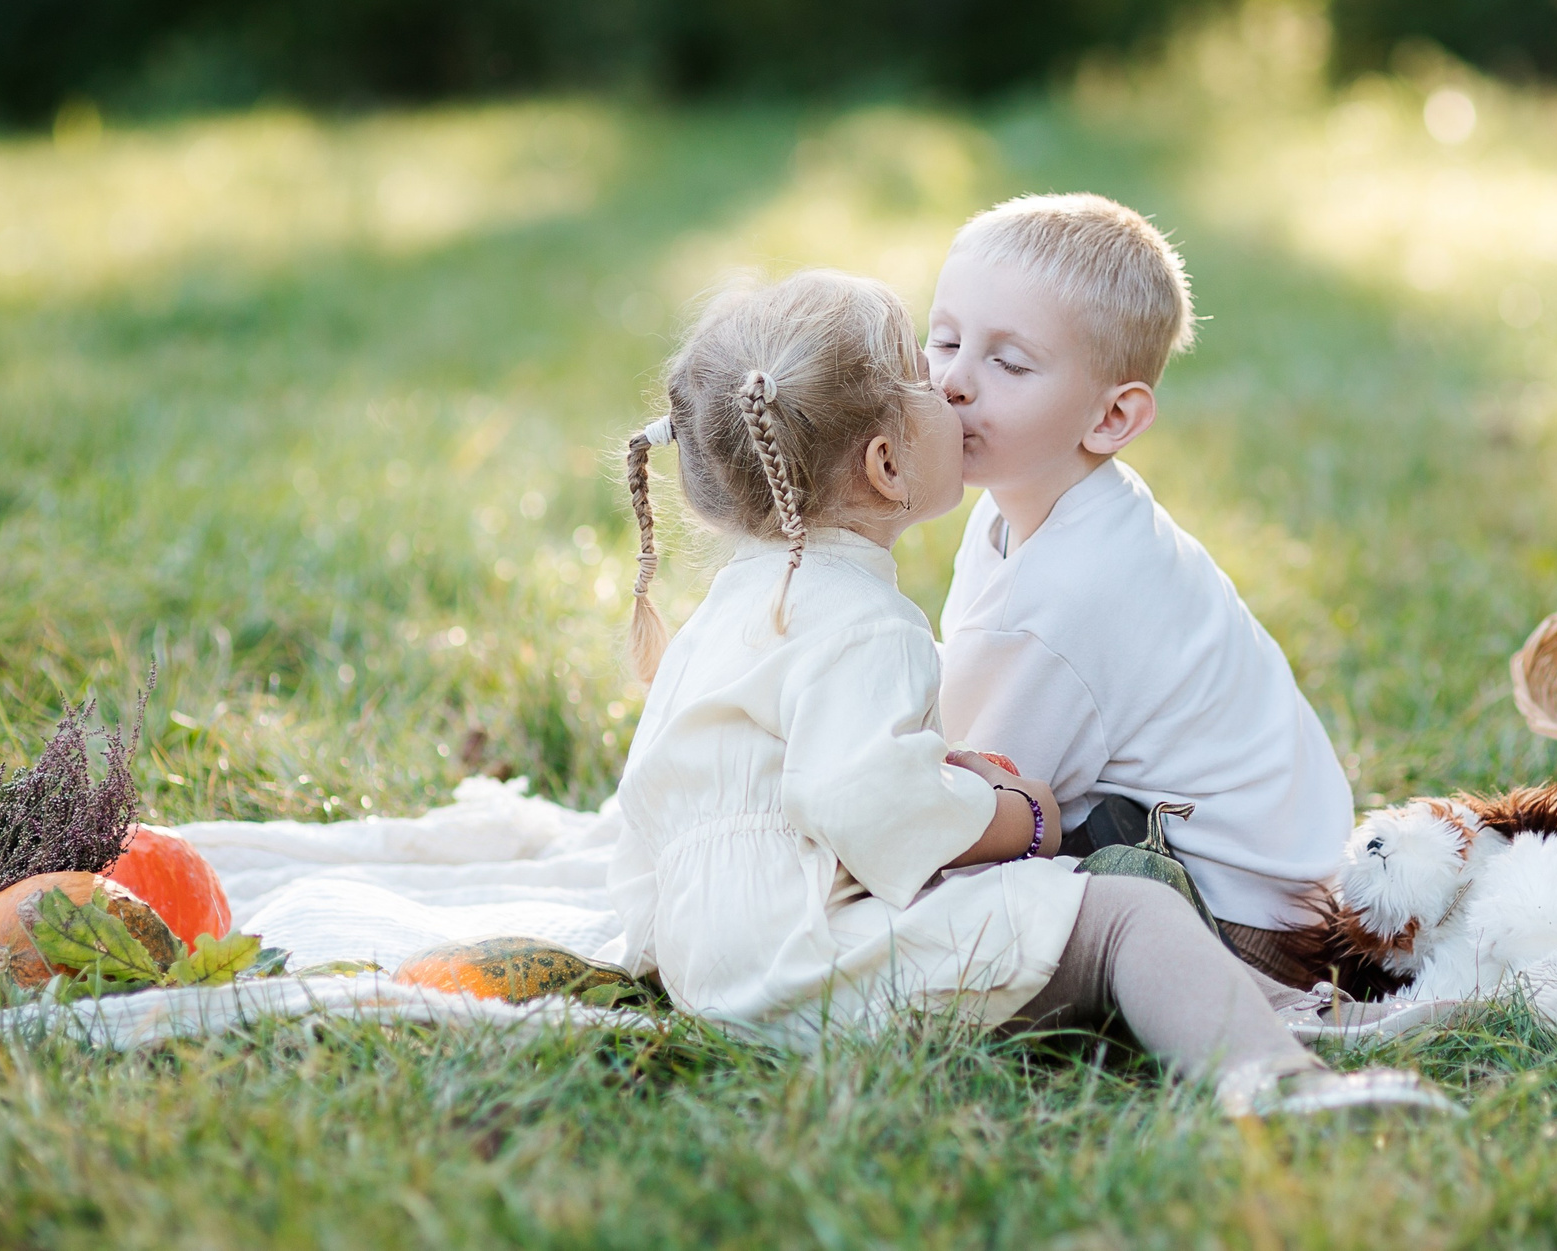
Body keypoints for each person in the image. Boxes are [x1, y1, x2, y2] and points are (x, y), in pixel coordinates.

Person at [606, 269, 1442, 1117]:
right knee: (1127, 916)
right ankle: (1279, 1078)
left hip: (702, 962)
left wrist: (665, 947)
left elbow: (658, 796)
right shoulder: (864, 623)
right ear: (888, 464)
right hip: (809, 975)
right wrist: (1024, 817)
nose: (950, 385)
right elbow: (868, 801)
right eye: (922, 372)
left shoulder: (726, 615)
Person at [928, 195, 1355, 988]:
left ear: (1112, 415)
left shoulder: (1071, 590)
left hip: (1238, 921)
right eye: (945, 339)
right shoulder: (1029, 503)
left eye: (1008, 363)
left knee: (947, 912)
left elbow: (964, 807)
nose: (953, 380)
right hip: (1268, 878)